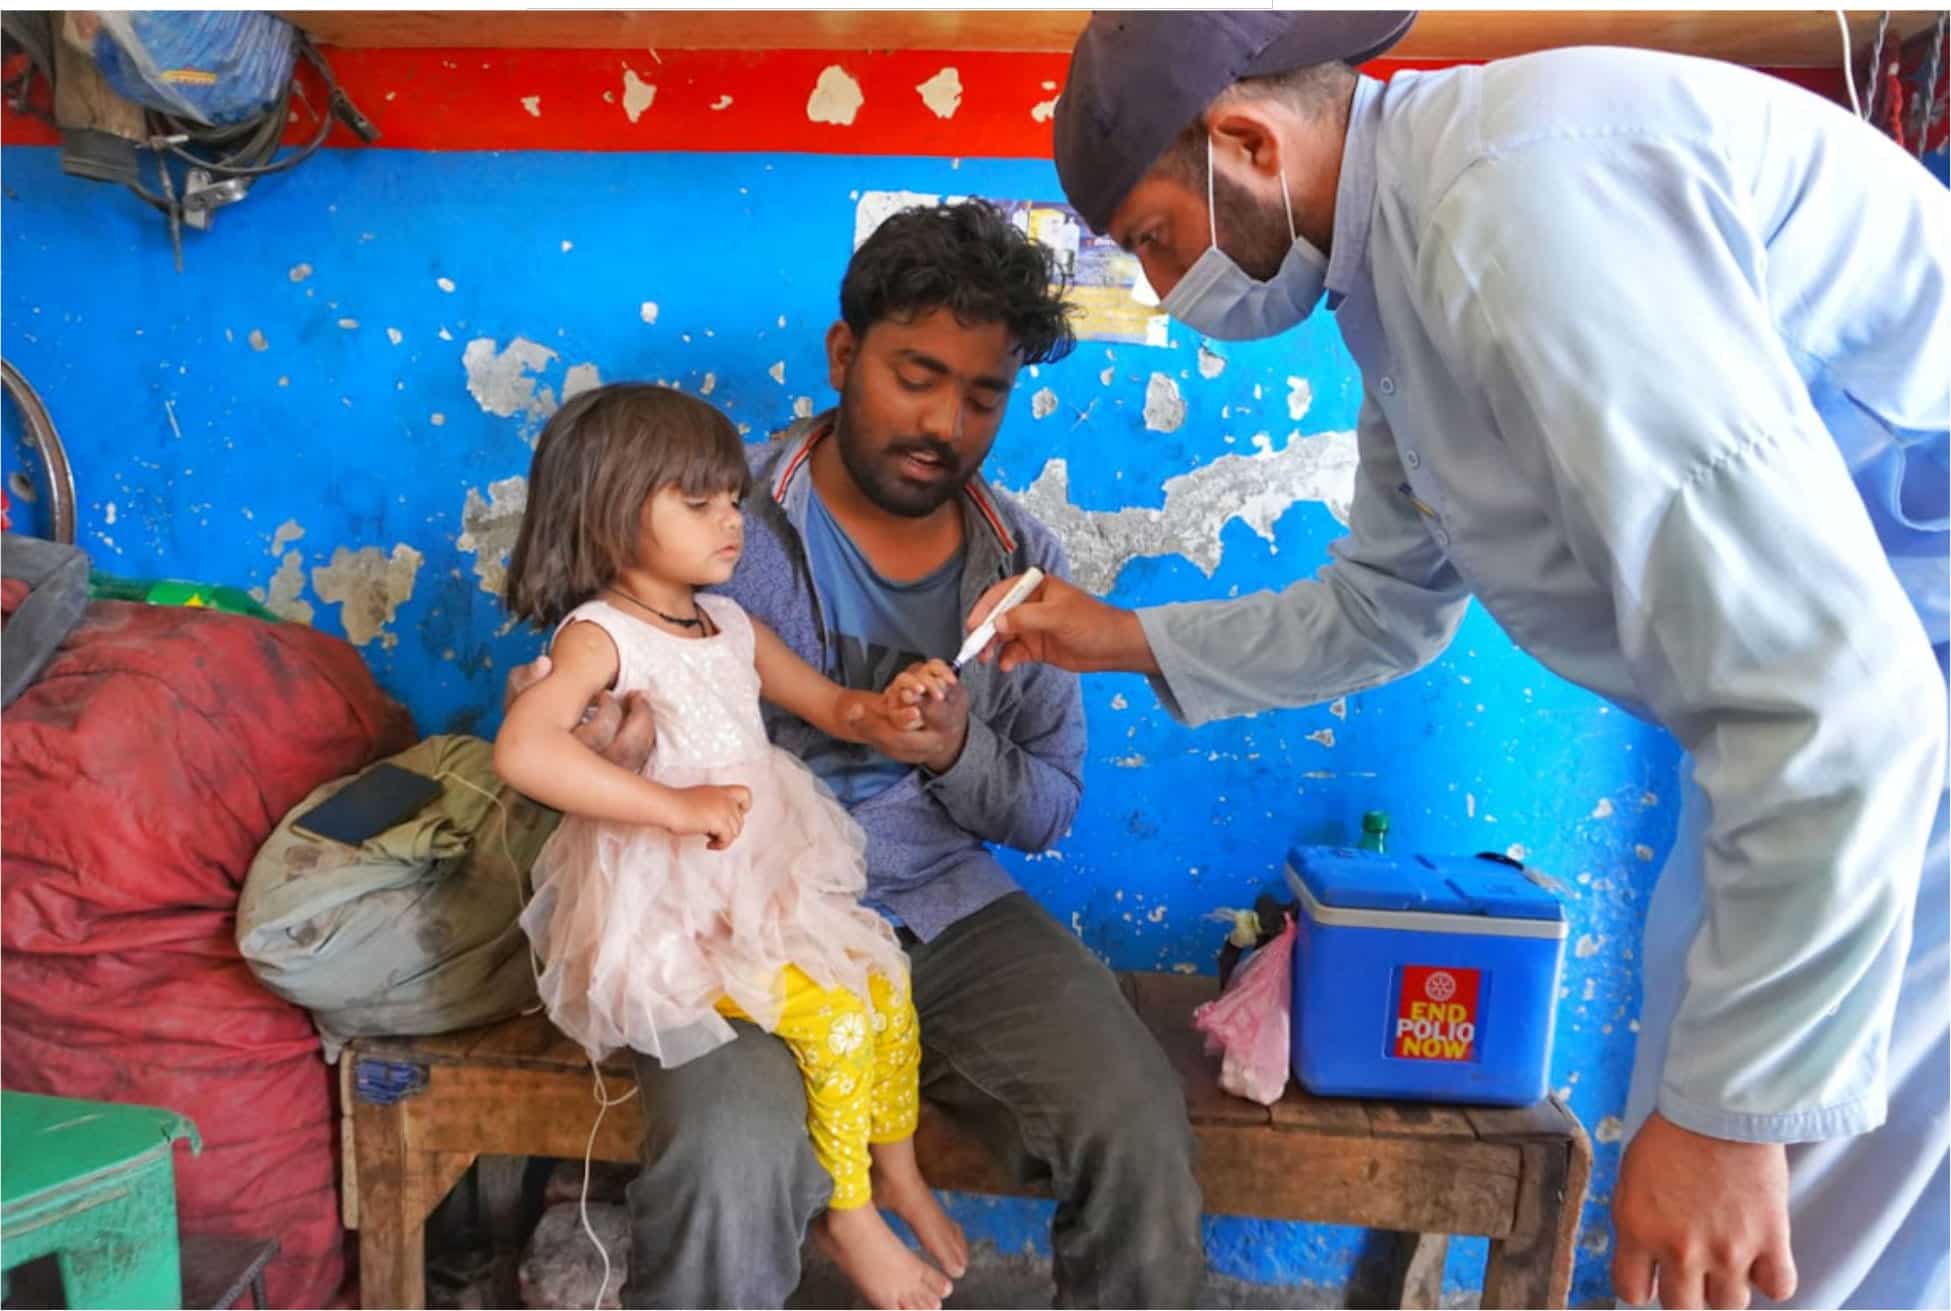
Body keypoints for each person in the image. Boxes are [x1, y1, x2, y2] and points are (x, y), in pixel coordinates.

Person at [972, 12, 1949, 1310]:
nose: (1160, 291)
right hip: (1807, 738)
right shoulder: (1401, 264)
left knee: (1790, 1237)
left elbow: (1838, 694)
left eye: (1155, 239)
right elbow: (1382, 602)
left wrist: (1730, 1118)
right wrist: (1118, 635)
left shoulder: (1518, 210)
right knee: (1710, 1098)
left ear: (1245, 141)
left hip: (1882, 742)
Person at [506, 201, 1206, 1309]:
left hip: (941, 907)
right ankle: (845, 1213)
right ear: (844, 354)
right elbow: (595, 699)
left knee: (1135, 1122)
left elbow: (1046, 809)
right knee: (729, 1158)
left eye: (983, 396)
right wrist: (616, 746)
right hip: (732, 926)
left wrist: (954, 747)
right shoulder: (710, 516)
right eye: (915, 377)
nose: (944, 423)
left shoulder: (1022, 559)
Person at [493, 382, 971, 1310]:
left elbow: (835, 708)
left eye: (730, 501)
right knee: (834, 1019)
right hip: (671, 915)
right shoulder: (600, 636)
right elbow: (525, 747)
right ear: (609, 508)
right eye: (698, 502)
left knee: (883, 982)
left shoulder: (732, 626)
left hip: (752, 885)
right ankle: (852, 1212)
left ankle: (897, 1168)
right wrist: (671, 808)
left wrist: (891, 706)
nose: (731, 522)